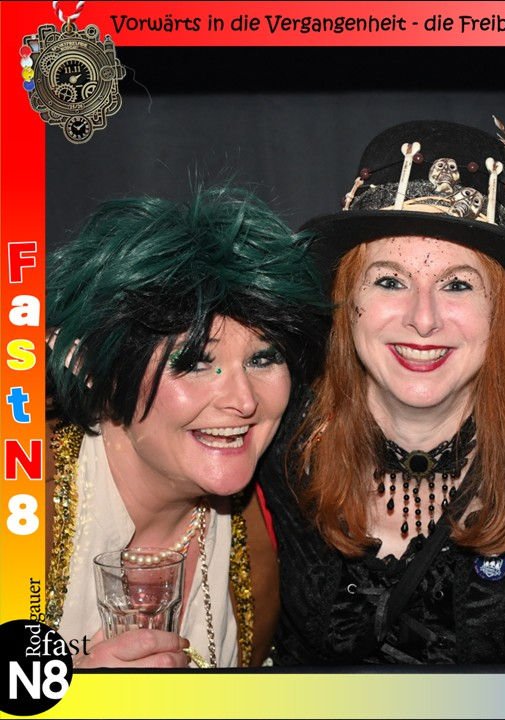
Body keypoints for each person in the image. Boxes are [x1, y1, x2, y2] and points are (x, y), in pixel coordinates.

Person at [260, 119, 505, 665]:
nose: (423, 319)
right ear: (347, 302)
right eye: (390, 281)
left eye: (458, 284)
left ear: (501, 314)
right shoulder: (276, 436)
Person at [45, 185, 328, 668]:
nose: (243, 401)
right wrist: (67, 689)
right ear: (91, 365)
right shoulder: (21, 496)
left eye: (263, 359)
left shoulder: (282, 510)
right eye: (194, 362)